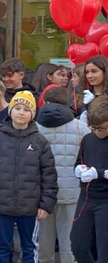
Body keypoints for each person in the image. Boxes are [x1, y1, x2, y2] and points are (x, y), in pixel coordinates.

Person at [0, 91, 58, 263]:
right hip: (1, 207)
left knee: (29, 247)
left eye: (26, 109)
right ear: (10, 111)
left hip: (30, 208)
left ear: (32, 114)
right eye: (17, 108)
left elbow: (49, 175)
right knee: (1, 247)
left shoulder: (40, 142)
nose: (21, 112)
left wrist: (46, 204)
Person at [36, 86, 90, 263]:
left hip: (42, 194)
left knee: (43, 243)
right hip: (72, 193)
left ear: (45, 102)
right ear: (67, 102)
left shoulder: (33, 127)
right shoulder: (82, 128)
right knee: (69, 245)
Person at [70, 95, 108, 263]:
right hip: (86, 198)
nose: (97, 132)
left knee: (104, 250)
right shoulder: (88, 139)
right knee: (77, 245)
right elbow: (80, 161)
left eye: (102, 128)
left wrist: (98, 174)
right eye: (94, 128)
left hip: (106, 200)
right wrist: (78, 169)